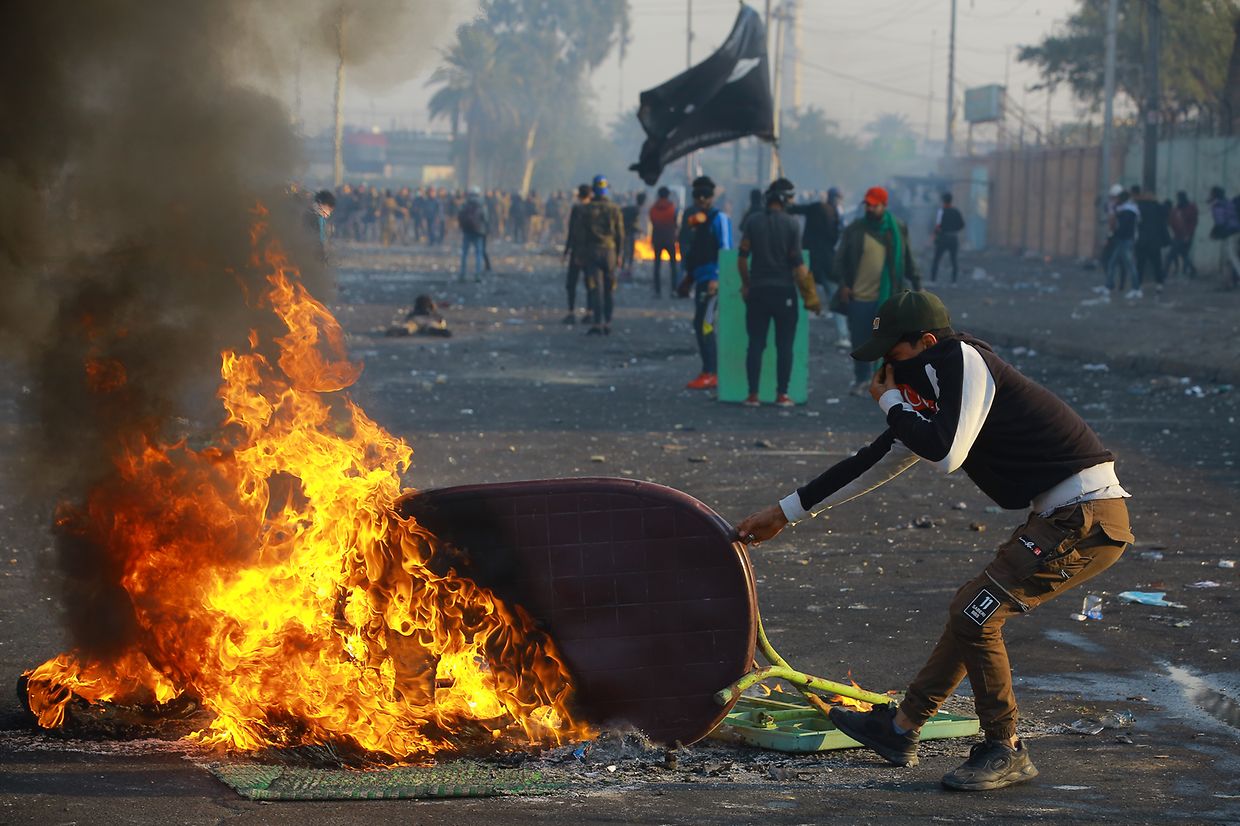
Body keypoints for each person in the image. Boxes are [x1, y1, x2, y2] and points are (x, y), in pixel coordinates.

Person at [736, 289, 1133, 792]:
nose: (888, 370)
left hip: (1086, 518)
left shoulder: (962, 359)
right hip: (1063, 517)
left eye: (895, 356)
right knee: (969, 616)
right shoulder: (935, 398)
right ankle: (900, 729)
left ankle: (1004, 747)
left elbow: (946, 454)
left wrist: (893, 403)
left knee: (976, 614)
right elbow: (872, 463)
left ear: (926, 341)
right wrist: (784, 513)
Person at [737, 178, 820, 408]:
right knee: (784, 345)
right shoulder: (792, 225)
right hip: (784, 293)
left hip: (757, 292)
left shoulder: (753, 222)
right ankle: (782, 394)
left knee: (755, 343)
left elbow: (742, 259)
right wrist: (810, 296)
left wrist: (746, 284)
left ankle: (752, 395)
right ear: (784, 200)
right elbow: (798, 265)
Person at [832, 186, 920, 396]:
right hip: (859, 298)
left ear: (883, 205)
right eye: (867, 205)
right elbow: (839, 261)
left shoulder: (897, 229)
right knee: (860, 341)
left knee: (887, 342)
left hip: (887, 299)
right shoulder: (855, 229)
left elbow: (907, 260)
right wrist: (844, 284)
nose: (869, 209)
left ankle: (882, 380)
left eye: (874, 205)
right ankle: (862, 379)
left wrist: (918, 286)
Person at [678, 176, 733, 390]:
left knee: (705, 324)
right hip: (701, 279)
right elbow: (695, 252)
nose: (701, 199)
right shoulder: (697, 221)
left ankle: (712, 372)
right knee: (700, 324)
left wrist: (716, 278)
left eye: (705, 196)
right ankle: (707, 369)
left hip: (712, 282)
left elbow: (725, 249)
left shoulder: (719, 219)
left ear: (711, 197)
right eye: (697, 195)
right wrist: (689, 278)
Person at [788, 186, 850, 348]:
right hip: (827, 262)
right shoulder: (837, 214)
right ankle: (843, 335)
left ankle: (794, 335)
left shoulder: (816, 208)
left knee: (804, 297)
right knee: (833, 298)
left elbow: (795, 209)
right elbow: (836, 237)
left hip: (809, 260)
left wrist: (785, 204)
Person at [576, 174, 625, 336]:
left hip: (592, 252)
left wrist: (580, 255)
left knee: (596, 288)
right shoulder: (614, 209)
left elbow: (581, 235)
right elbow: (620, 234)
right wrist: (619, 254)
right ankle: (608, 321)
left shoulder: (586, 209)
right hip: (610, 252)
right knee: (609, 288)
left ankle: (597, 322)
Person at [561, 183, 593, 324]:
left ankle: (571, 312)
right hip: (591, 252)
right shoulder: (594, 209)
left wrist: (566, 251)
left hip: (577, 251)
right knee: (589, 283)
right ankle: (589, 312)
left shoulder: (577, 209)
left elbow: (572, 232)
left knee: (572, 283)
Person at [1131, 184, 1167, 298]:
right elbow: (1163, 221)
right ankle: (1159, 285)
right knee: (1157, 263)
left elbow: (1135, 223)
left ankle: (1138, 285)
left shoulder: (1138, 206)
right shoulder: (1158, 207)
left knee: (1140, 264)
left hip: (1142, 239)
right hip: (1155, 240)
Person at [648, 186, 679, 297]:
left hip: (657, 239)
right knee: (673, 266)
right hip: (670, 239)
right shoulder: (672, 208)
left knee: (657, 266)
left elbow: (652, 221)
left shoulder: (653, 208)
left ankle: (657, 291)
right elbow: (675, 222)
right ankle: (674, 289)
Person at [1106, 190, 1139, 295]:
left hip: (1125, 240)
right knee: (1113, 263)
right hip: (1123, 240)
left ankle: (1136, 288)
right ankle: (1109, 285)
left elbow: (1123, 227)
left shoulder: (1128, 211)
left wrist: (1115, 234)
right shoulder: (1126, 209)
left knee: (1129, 265)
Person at [1207, 186, 1240, 288]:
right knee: (1228, 258)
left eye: (1211, 193)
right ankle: (1228, 282)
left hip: (1230, 233)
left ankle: (1231, 281)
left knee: (1233, 257)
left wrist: (1214, 233)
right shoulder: (1228, 202)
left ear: (1214, 194)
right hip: (1237, 231)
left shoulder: (1217, 205)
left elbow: (1220, 222)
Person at [930, 192, 966, 284]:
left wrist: (934, 236)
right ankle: (953, 281)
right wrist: (954, 229)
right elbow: (962, 225)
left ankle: (933, 279)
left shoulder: (941, 212)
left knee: (936, 259)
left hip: (942, 238)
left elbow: (937, 226)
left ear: (943, 201)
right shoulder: (956, 211)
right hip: (953, 238)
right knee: (953, 260)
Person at [458, 186, 488, 282]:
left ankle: (462, 275)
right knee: (478, 254)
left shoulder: (465, 204)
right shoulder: (482, 204)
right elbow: (486, 218)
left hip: (467, 231)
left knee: (464, 254)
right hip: (478, 232)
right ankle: (477, 275)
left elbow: (459, 215)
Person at [1165, 191, 1198, 278]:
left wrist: (1188, 235)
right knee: (1184, 254)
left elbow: (1192, 223)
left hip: (1185, 236)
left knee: (1171, 255)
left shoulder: (1190, 208)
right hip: (1178, 235)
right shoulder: (1178, 208)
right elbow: (1172, 221)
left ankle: (1164, 273)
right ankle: (1192, 270)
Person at [303, 189, 336, 262]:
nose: (328, 213)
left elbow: (322, 237)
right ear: (320, 204)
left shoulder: (321, 218)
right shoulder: (309, 216)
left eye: (331, 211)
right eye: (328, 209)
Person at [621, 192, 646, 278]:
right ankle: (625, 270)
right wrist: (640, 231)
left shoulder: (633, 208)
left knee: (627, 252)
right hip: (628, 233)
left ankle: (625, 269)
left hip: (626, 232)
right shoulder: (636, 210)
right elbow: (633, 224)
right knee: (628, 252)